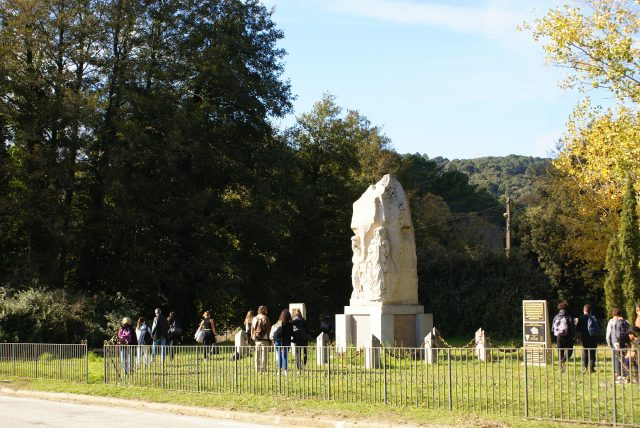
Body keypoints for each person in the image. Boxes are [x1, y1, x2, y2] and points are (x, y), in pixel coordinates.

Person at [606, 307, 630, 383]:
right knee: (625, 358)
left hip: (615, 343)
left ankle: (619, 376)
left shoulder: (611, 322)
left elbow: (608, 335)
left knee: (617, 359)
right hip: (625, 343)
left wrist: (610, 345)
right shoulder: (625, 321)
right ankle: (625, 376)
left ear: (613, 314)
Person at [576, 304, 599, 372]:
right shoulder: (594, 318)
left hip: (584, 337)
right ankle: (591, 368)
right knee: (592, 352)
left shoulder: (581, 318)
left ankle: (585, 367)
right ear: (590, 311)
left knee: (585, 351)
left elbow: (577, 328)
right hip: (593, 337)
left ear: (584, 310)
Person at [552, 301, 575, 367]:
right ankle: (562, 361)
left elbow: (553, 328)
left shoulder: (556, 316)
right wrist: (573, 336)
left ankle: (560, 365)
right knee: (569, 351)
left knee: (560, 351)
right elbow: (572, 327)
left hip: (559, 336)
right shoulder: (569, 316)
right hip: (568, 336)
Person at [272, 309, 293, 374]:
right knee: (285, 355)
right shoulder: (290, 324)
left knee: (278, 355)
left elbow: (275, 331)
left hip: (278, 340)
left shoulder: (279, 322)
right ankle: (285, 370)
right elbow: (292, 333)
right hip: (286, 341)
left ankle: (278, 370)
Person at [251, 305, 271, 372]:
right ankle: (263, 368)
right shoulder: (265, 318)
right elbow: (268, 329)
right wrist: (270, 338)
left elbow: (252, 328)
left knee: (257, 354)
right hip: (264, 339)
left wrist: (252, 336)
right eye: (266, 310)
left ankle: (257, 368)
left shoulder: (254, 318)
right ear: (264, 310)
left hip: (256, 338)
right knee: (264, 354)